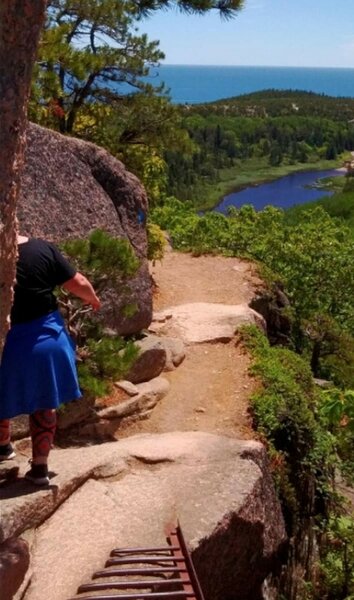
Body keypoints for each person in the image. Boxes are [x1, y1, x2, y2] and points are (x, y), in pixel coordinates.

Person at [0, 234, 100, 485]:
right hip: (46, 338)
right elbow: (78, 282)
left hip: (7, 341)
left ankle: (3, 447)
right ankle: (40, 468)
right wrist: (92, 298)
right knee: (44, 403)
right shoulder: (41, 249)